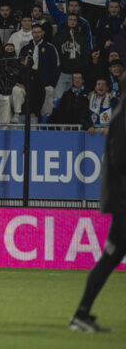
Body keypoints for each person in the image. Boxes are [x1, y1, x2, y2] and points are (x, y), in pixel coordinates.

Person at [69, 69, 126, 332]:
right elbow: (119, 160)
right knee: (110, 257)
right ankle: (80, 314)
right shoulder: (123, 117)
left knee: (110, 258)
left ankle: (81, 313)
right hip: (124, 202)